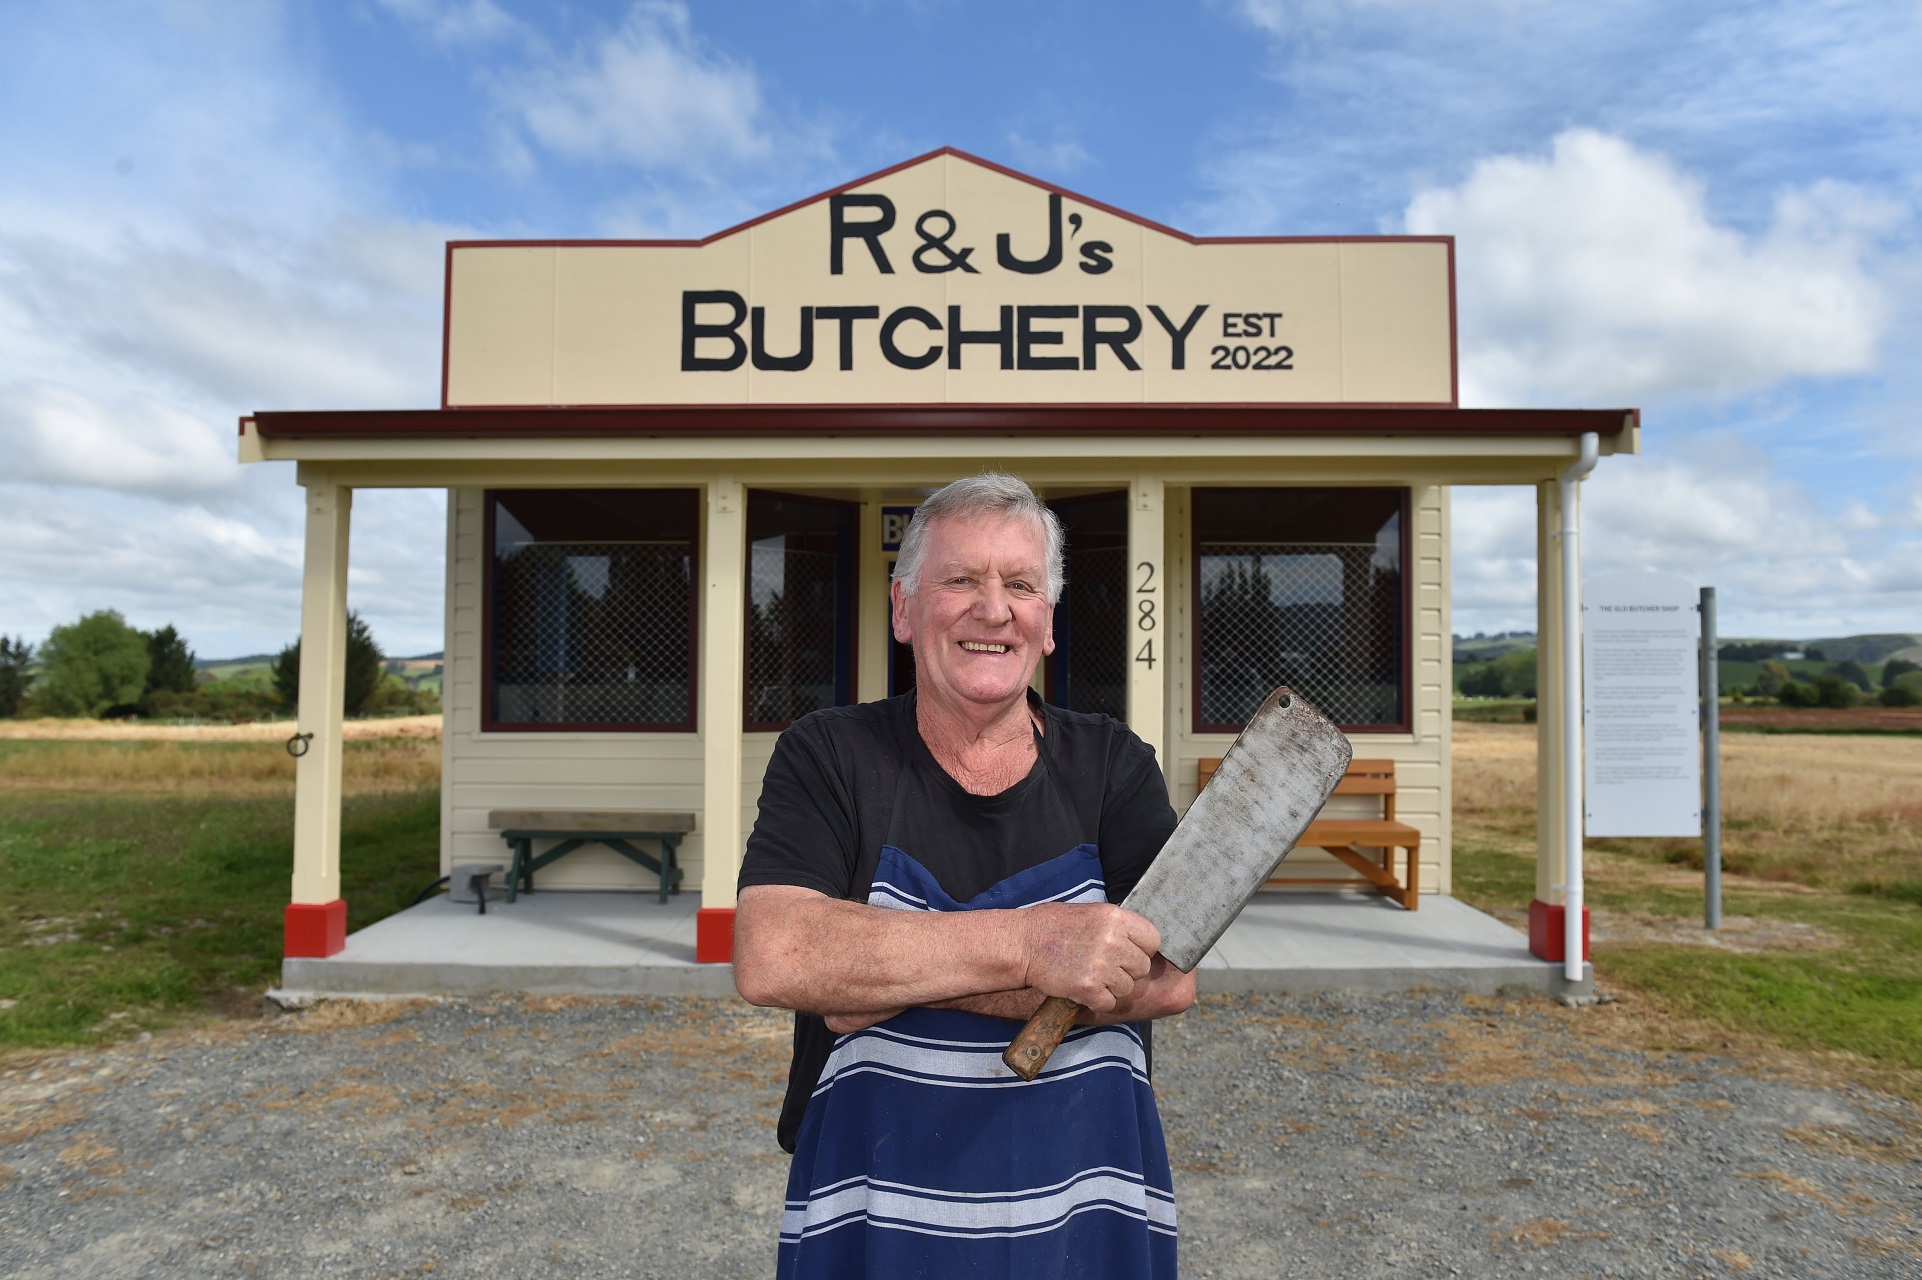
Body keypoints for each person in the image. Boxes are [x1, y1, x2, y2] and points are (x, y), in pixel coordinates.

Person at [734, 472, 1195, 1279]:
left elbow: (1163, 977)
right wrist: (1035, 948)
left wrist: (882, 976)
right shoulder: (829, 754)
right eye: (961, 579)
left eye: (1021, 584)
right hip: (875, 1198)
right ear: (904, 607)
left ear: (1046, 623)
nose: (994, 608)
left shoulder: (1114, 765)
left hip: (1082, 1197)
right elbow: (776, 953)